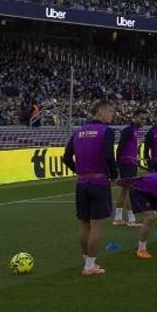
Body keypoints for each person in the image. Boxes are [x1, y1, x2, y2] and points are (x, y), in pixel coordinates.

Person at [62, 99, 119, 277]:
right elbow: (109, 156)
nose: (112, 115)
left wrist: (78, 170)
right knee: (96, 226)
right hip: (99, 183)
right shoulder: (106, 131)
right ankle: (90, 266)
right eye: (110, 111)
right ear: (100, 111)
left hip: (82, 183)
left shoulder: (79, 131)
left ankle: (87, 260)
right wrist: (114, 175)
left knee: (84, 224)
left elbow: (66, 157)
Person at [113, 109, 146, 227]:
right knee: (129, 190)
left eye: (145, 119)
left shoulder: (135, 130)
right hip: (126, 164)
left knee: (125, 190)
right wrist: (117, 166)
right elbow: (120, 148)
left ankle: (118, 218)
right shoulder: (128, 130)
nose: (144, 121)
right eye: (141, 118)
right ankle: (131, 219)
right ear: (135, 118)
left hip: (130, 163)